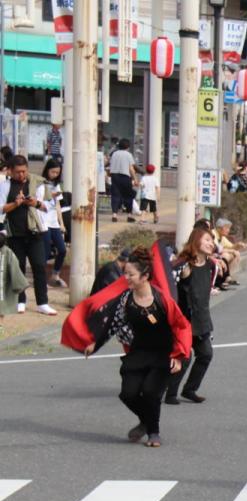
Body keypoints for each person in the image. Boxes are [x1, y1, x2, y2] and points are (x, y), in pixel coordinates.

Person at [62, 247, 191, 447]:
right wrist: (94, 343)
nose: (126, 278)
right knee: (127, 394)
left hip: (162, 354)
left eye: (131, 274)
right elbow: (112, 323)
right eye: (125, 274)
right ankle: (146, 421)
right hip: (138, 352)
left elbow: (181, 326)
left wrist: (178, 354)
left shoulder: (162, 300)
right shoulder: (125, 299)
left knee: (150, 392)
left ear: (145, 276)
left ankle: (153, 432)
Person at [165, 227, 220, 405]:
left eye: (212, 241)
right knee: (184, 357)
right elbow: (169, 287)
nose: (211, 243)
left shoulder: (211, 265)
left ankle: (190, 390)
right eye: (207, 240)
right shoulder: (183, 265)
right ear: (195, 241)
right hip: (185, 320)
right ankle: (171, 393)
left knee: (206, 354)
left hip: (202, 318)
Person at [4, 156, 55, 315]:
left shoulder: (37, 183)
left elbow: (48, 207)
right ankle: (21, 300)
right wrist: (16, 203)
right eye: (18, 172)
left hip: (35, 232)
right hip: (14, 233)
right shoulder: (5, 186)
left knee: (39, 266)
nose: (21, 175)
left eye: (24, 171)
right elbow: (1, 208)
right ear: (10, 171)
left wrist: (36, 203)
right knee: (18, 268)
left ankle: (42, 302)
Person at [36, 159, 68, 289]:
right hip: (43, 220)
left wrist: (62, 223)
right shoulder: (40, 183)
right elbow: (37, 203)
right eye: (53, 171)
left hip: (54, 222)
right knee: (46, 250)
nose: (55, 174)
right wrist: (50, 195)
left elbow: (58, 205)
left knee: (62, 249)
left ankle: (55, 274)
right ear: (47, 170)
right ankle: (40, 279)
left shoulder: (56, 185)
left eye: (57, 172)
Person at [108, 139, 137, 221]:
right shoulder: (128, 155)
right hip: (125, 177)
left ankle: (114, 215)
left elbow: (109, 163)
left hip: (114, 176)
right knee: (128, 196)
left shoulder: (114, 154)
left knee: (115, 195)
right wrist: (135, 179)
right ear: (128, 147)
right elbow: (131, 168)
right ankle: (129, 215)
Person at [212, 218, 241, 290]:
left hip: (216, 255)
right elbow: (217, 249)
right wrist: (232, 251)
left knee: (235, 254)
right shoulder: (213, 234)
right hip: (212, 255)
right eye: (227, 228)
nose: (228, 230)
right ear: (219, 228)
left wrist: (238, 246)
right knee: (226, 255)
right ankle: (223, 279)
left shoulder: (222, 237)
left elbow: (231, 247)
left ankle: (228, 277)